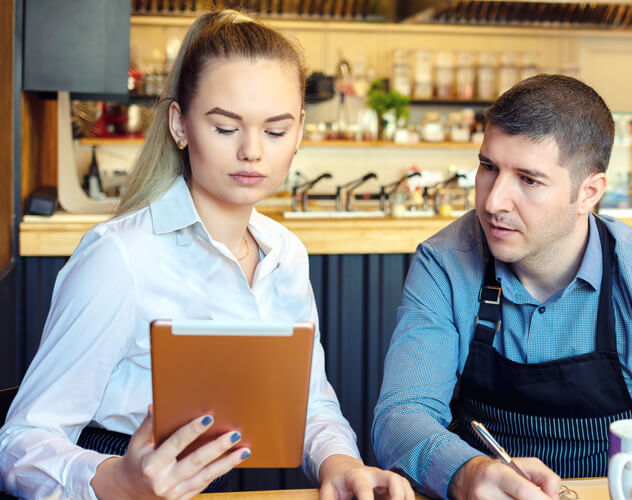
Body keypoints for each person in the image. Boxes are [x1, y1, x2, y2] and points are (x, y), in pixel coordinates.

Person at [0, 10, 413, 500]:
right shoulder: (119, 257)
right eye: (225, 128)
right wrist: (117, 481)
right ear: (180, 124)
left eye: (276, 131)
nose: (252, 152)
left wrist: (340, 462)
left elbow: (310, 404)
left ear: (299, 131)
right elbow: (19, 444)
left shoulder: (285, 253)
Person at [372, 75, 632, 500]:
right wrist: (466, 474)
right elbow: (401, 416)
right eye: (488, 167)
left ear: (588, 193)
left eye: (528, 179)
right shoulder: (445, 262)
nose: (492, 201)